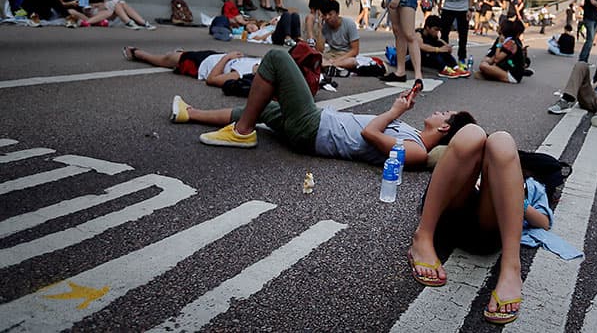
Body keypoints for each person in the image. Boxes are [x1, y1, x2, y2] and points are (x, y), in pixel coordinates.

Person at [178, 49, 473, 160]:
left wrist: (395, 111)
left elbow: (370, 134)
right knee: (265, 110)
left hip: (313, 130)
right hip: (316, 124)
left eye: (444, 113)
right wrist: (402, 112)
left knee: (277, 58)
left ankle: (241, 132)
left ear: (445, 127)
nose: (438, 110)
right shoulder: (412, 134)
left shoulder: (417, 152)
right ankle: (190, 114)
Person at [406, 126, 544, 325]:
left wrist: (518, 195)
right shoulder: (469, 150)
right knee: (471, 133)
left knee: (503, 141)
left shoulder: (526, 179)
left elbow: (544, 222)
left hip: (486, 225)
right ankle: (423, 236)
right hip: (448, 213)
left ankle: (511, 267)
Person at [124, 47, 261, 86]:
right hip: (213, 56)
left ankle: (139, 54)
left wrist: (226, 58)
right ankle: (179, 54)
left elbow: (212, 79)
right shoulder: (261, 62)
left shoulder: (241, 74)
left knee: (168, 59)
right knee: (179, 55)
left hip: (201, 65)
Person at [315, 0, 361, 71]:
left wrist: (335, 62)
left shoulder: (349, 23)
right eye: (325, 15)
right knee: (315, 58)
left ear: (337, 13)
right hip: (331, 54)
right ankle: (331, 67)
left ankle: (330, 66)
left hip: (345, 55)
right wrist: (320, 28)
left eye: (330, 14)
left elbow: (355, 50)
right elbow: (319, 49)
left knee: (352, 62)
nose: (327, 17)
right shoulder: (325, 26)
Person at [478, 19, 527, 84]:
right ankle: (492, 74)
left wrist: (499, 44)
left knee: (483, 66)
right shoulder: (510, 40)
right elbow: (494, 58)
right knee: (485, 63)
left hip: (513, 76)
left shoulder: (511, 43)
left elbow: (497, 59)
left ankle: (493, 75)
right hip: (507, 68)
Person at [85, 0, 156, 30]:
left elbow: (106, 1)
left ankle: (142, 22)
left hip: (106, 10)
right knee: (115, 2)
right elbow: (86, 8)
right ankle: (129, 22)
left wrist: (100, 5)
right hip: (95, 12)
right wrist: (97, 5)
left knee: (121, 3)